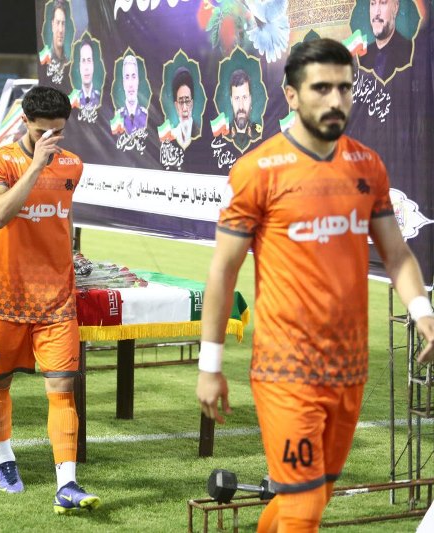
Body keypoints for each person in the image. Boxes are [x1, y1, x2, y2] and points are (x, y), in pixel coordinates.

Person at [196, 38, 434, 532]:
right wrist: (210, 365)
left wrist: (422, 311)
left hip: (350, 369)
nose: (335, 100)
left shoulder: (367, 166)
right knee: (303, 508)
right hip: (286, 370)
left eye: (344, 88)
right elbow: (223, 270)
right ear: (291, 95)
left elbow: (396, 254)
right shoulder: (257, 171)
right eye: (321, 88)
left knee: (310, 495)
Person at [0, 86, 101, 514]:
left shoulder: (72, 164)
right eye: (43, 131)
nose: (51, 139)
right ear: (25, 121)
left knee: (62, 387)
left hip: (55, 299)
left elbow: (64, 213)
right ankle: (4, 458)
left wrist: (71, 253)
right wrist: (36, 165)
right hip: (3, 295)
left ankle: (67, 483)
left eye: (58, 132)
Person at [360, 0, 413, 80]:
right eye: (373, 3)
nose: (376, 12)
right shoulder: (363, 57)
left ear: (395, 8)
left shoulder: (411, 53)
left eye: (383, 3)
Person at [225, 69, 261, 151]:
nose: (241, 106)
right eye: (237, 98)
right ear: (231, 101)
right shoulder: (223, 135)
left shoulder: (260, 134)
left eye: (245, 97)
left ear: (250, 99)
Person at [117, 54, 147, 134]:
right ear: (123, 83)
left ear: (138, 81)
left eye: (133, 77)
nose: (130, 84)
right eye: (127, 77)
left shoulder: (146, 116)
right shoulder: (117, 118)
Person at [171, 67, 200, 149]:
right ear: (176, 106)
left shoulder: (200, 133)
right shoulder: (172, 136)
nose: (184, 109)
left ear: (192, 104)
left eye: (187, 101)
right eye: (181, 102)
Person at [77, 38, 100, 110]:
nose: (86, 67)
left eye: (89, 60)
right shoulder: (73, 101)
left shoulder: (101, 99)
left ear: (93, 65)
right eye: (83, 61)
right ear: (79, 66)